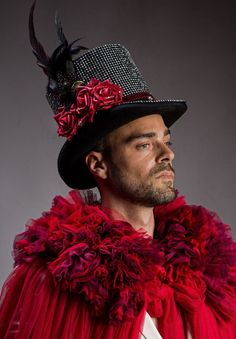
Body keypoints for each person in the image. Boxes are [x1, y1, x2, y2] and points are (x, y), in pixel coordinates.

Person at [0, 3, 236, 339]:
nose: (167, 153)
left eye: (165, 140)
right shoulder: (60, 278)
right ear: (98, 164)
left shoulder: (205, 271)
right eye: (144, 145)